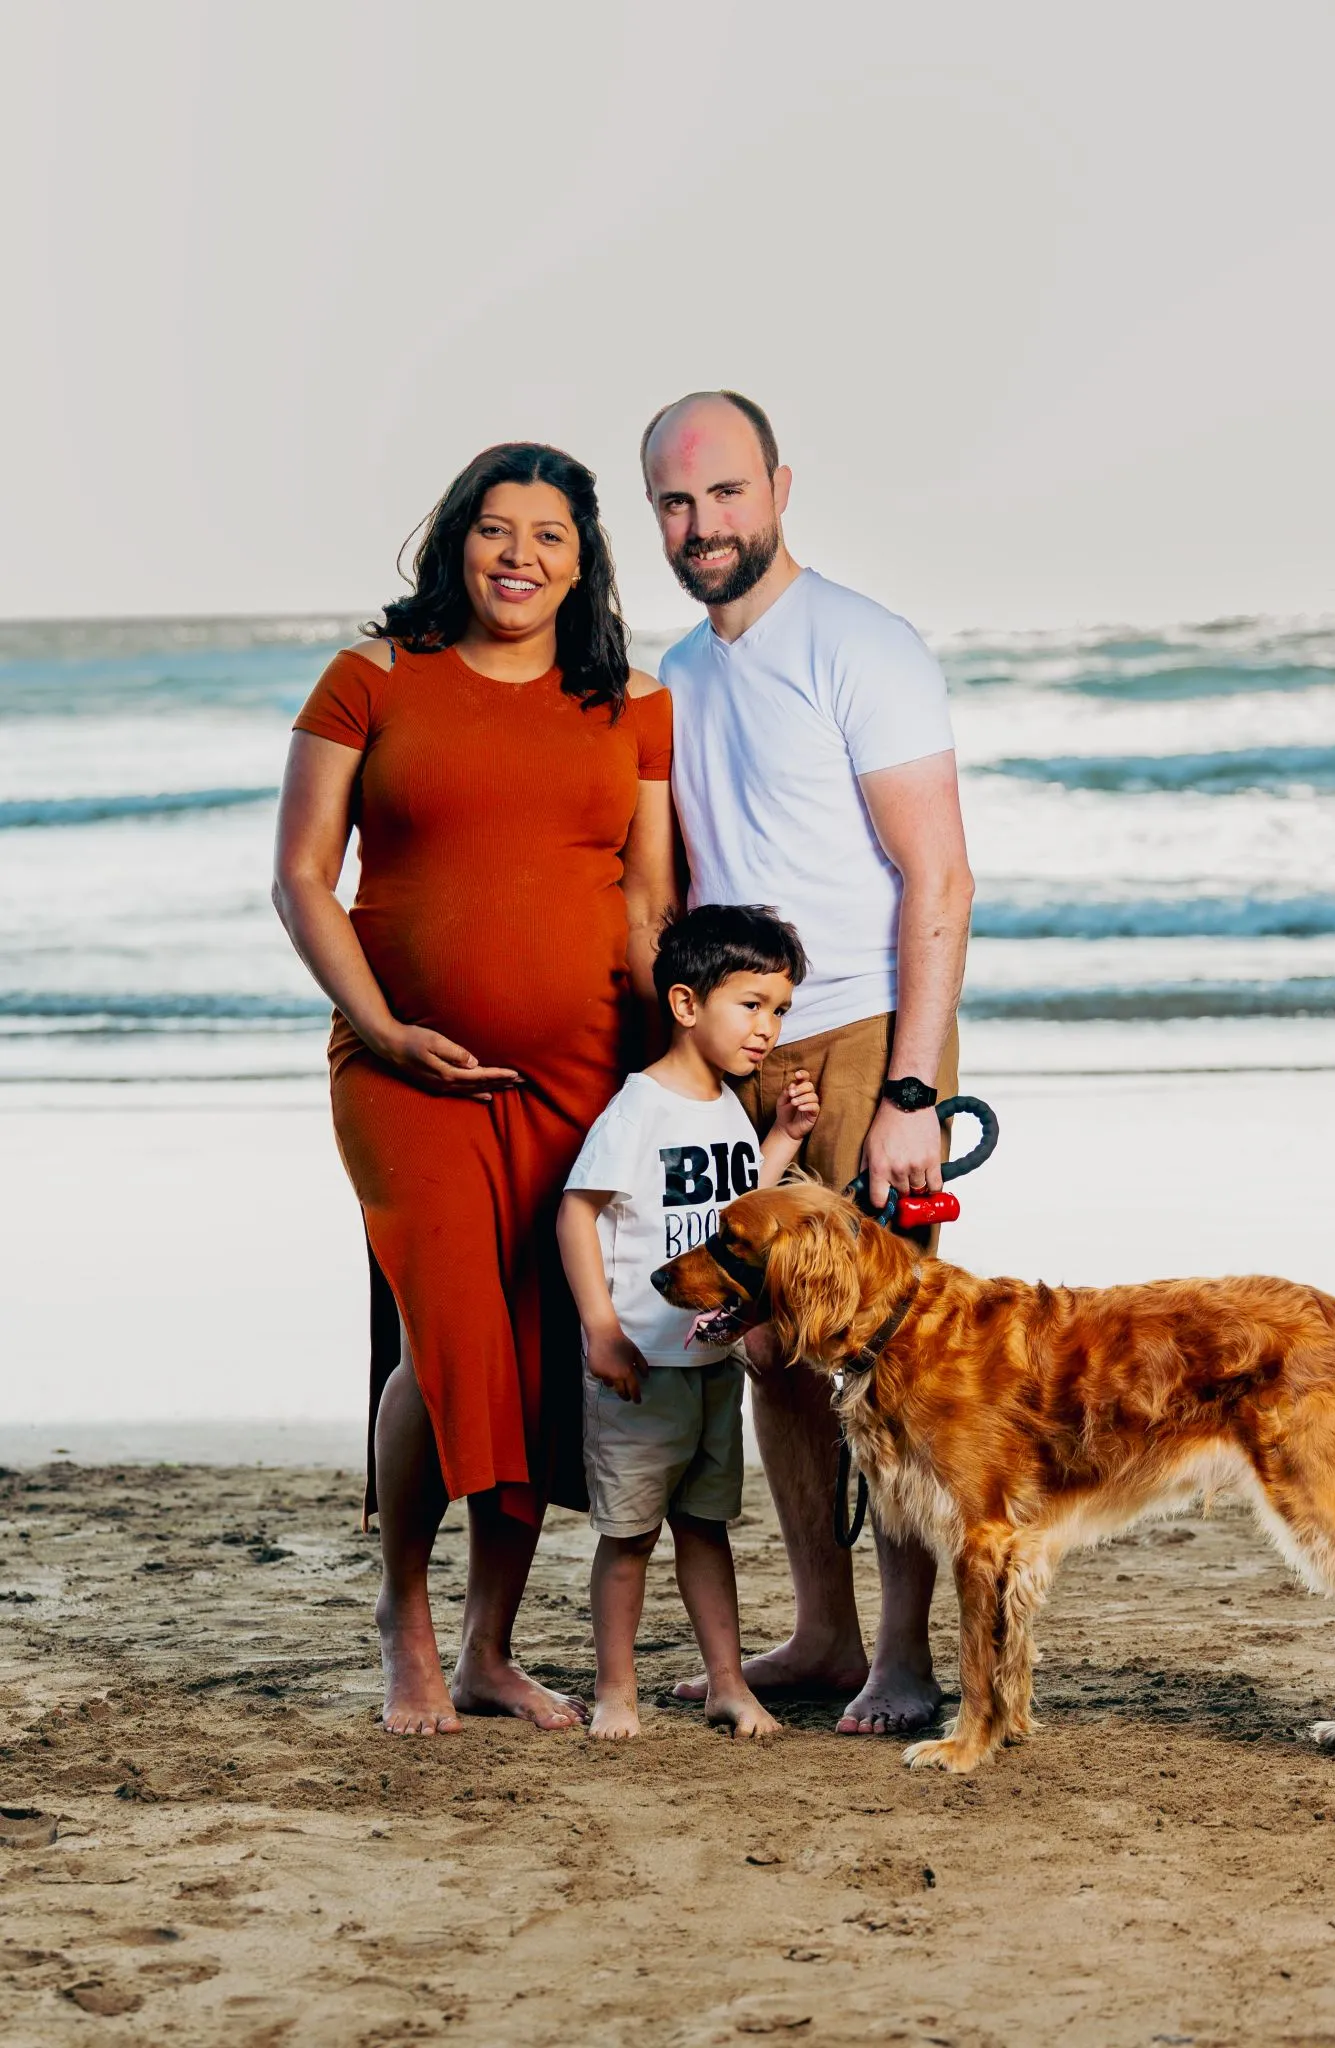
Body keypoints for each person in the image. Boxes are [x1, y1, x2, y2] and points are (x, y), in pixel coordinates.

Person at [272, 442, 678, 1736]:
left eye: (549, 534)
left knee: (542, 1347)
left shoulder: (634, 702)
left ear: (582, 558)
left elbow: (646, 903)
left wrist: (664, 1072)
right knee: (447, 1336)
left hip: (581, 1074)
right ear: (456, 538)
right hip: (404, 1071)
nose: (519, 555)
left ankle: (488, 1649)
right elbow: (300, 877)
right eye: (496, 528)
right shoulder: (372, 677)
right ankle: (403, 1614)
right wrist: (383, 1028)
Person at [641, 390, 975, 1737]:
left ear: (778, 488)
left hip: (860, 1033)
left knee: (888, 1357)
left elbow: (938, 876)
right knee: (772, 1353)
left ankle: (903, 1654)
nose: (703, 523)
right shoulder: (675, 674)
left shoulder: (860, 643)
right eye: (676, 501)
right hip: (738, 1045)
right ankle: (825, 1633)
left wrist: (912, 1090)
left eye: (725, 492)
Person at [556, 905, 820, 1741]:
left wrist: (783, 1139)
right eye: (751, 1005)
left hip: (712, 1367)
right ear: (684, 1003)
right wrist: (600, 1328)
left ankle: (727, 1685)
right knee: (629, 1537)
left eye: (779, 1009)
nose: (767, 1027)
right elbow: (575, 1213)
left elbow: (735, 1209)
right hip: (641, 1367)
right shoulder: (641, 1108)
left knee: (707, 1530)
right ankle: (615, 1691)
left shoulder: (728, 1107)